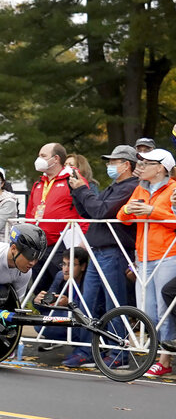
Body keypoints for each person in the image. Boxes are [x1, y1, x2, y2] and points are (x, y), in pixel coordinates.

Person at [62, 145, 139, 366]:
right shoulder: (115, 186)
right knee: (89, 302)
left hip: (113, 250)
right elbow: (88, 212)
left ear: (126, 165)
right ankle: (87, 350)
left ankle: (118, 352)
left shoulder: (130, 187)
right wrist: (76, 190)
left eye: (113, 162)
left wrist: (82, 190)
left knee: (113, 303)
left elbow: (100, 211)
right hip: (98, 250)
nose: (109, 166)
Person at [117, 148, 176, 377]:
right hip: (143, 255)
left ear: (160, 168)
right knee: (148, 311)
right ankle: (155, 353)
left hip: (167, 254)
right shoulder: (140, 188)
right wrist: (127, 209)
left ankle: (165, 359)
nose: (140, 167)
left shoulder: (173, 188)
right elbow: (123, 217)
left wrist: (153, 210)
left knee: (164, 309)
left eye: (147, 163)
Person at [25, 142, 87, 291]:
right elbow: (30, 212)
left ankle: (65, 314)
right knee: (39, 289)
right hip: (39, 245)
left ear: (56, 159)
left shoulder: (72, 179)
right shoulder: (39, 182)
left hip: (62, 245)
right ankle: (43, 314)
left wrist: (83, 240)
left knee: (63, 288)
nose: (38, 159)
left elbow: (86, 210)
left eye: (43, 156)